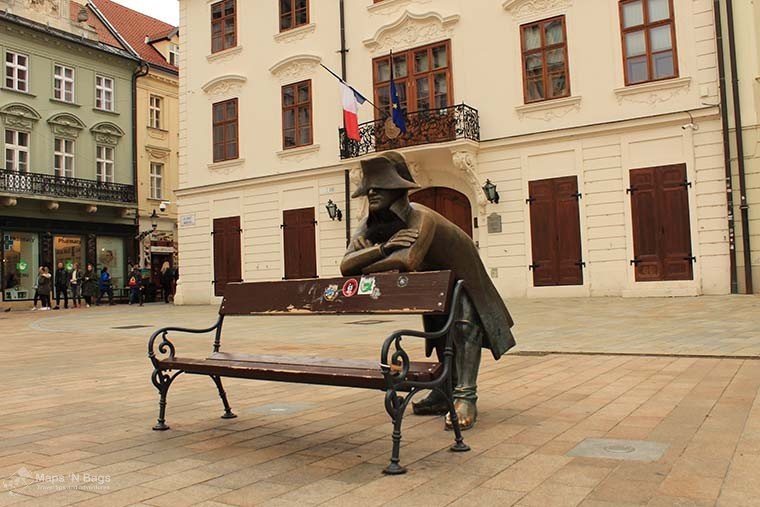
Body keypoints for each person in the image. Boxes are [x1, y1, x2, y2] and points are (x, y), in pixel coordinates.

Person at [340, 152, 516, 430]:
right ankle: (445, 390)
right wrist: (382, 248)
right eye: (369, 186)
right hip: (435, 281)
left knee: (465, 325)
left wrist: (369, 258)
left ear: (398, 187)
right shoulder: (370, 224)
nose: (371, 191)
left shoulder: (421, 218)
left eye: (380, 185)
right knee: (441, 332)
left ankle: (465, 397)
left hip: (464, 274)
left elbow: (406, 260)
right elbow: (346, 266)